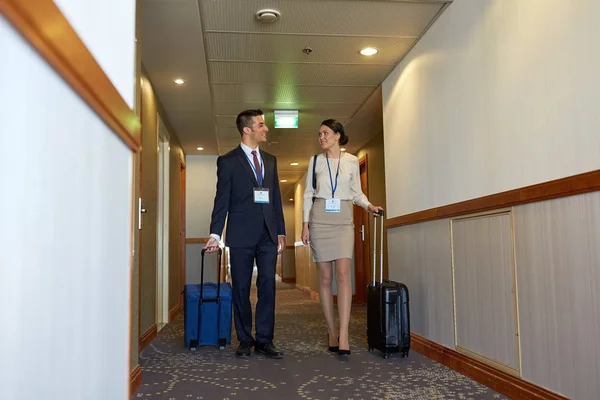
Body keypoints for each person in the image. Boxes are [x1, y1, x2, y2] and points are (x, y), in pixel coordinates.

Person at [204, 109, 286, 359]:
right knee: (240, 287)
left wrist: (281, 231)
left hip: (268, 235)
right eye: (261, 125)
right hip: (240, 234)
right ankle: (244, 339)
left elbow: (276, 199)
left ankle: (264, 339)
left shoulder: (270, 160)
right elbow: (222, 200)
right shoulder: (228, 161)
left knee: (267, 288)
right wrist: (215, 234)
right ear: (247, 129)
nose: (266, 129)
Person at [301, 119, 383, 357]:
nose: (321, 137)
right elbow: (308, 194)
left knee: (344, 274)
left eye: (325, 133)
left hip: (343, 220)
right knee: (325, 279)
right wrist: (305, 225)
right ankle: (332, 330)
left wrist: (369, 206)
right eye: (319, 134)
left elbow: (356, 193)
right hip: (320, 217)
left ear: (338, 135)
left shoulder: (350, 161)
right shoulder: (315, 161)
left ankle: (345, 332)